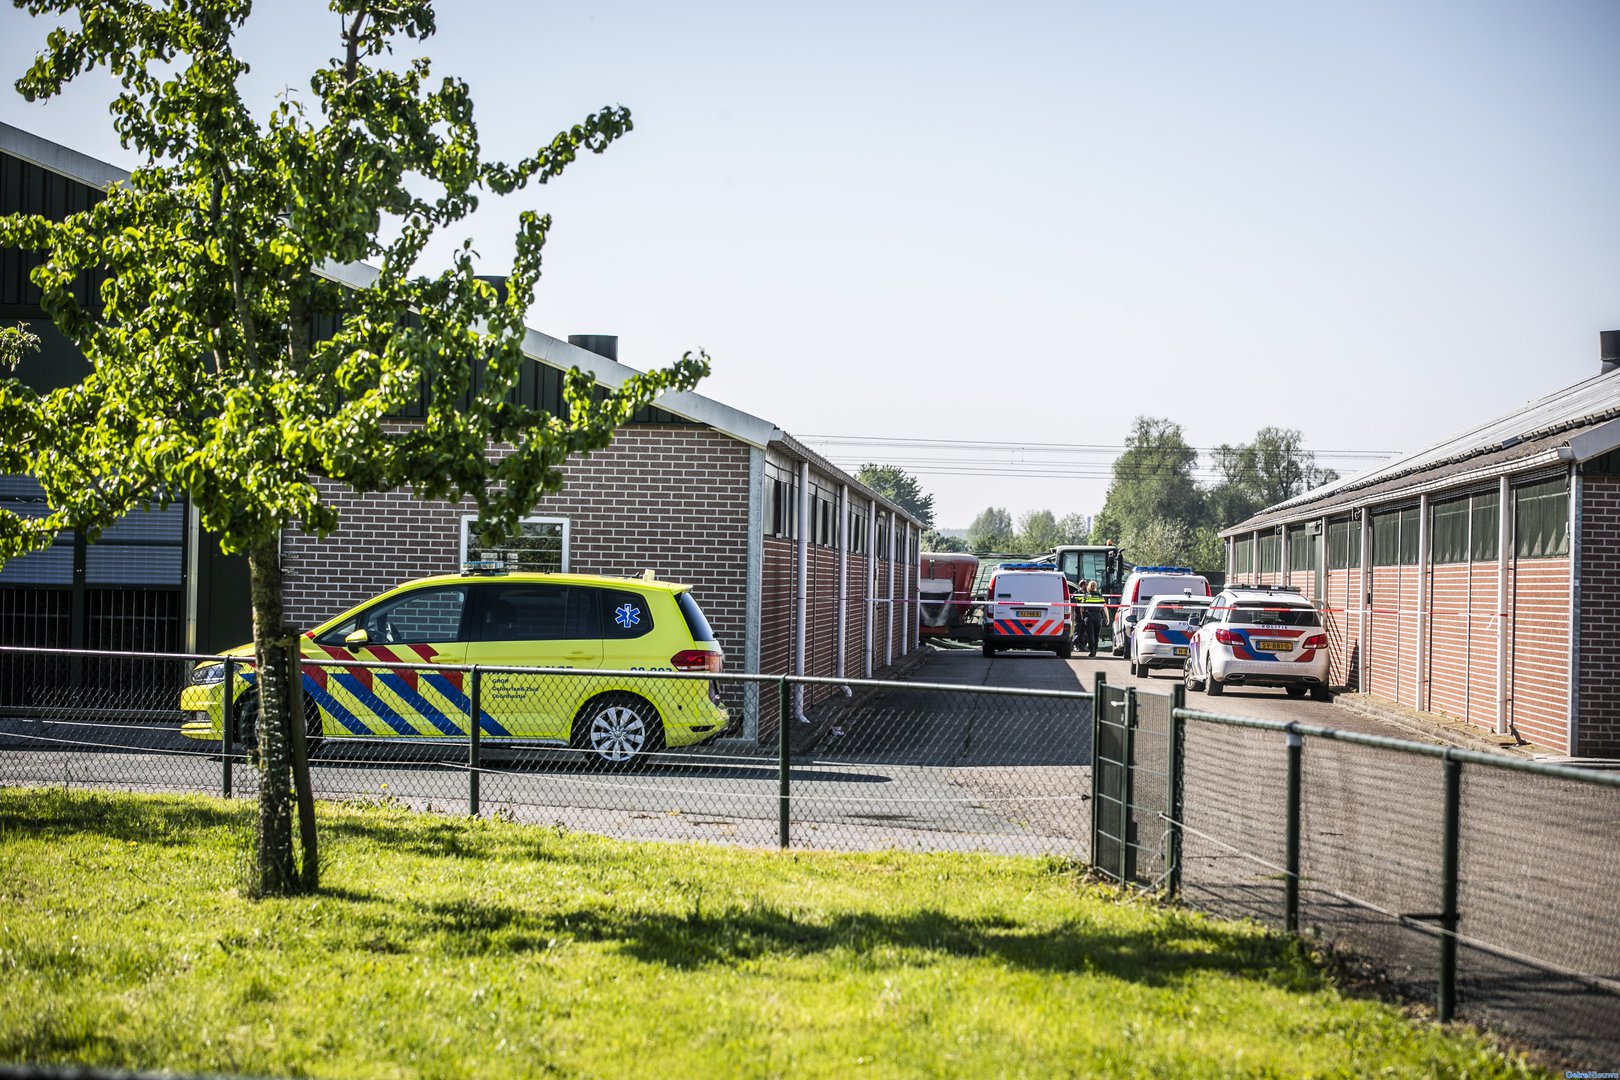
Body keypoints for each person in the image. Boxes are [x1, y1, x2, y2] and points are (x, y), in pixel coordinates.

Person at [1079, 579, 1108, 658]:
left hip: (1089, 616)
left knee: (1090, 634)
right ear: (1096, 587)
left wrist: (1082, 615)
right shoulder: (1099, 596)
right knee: (1096, 634)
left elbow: (1081, 607)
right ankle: (1095, 649)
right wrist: (1107, 617)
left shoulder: (1086, 596)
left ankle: (1092, 650)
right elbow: (1104, 607)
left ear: (1088, 587)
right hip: (1098, 616)